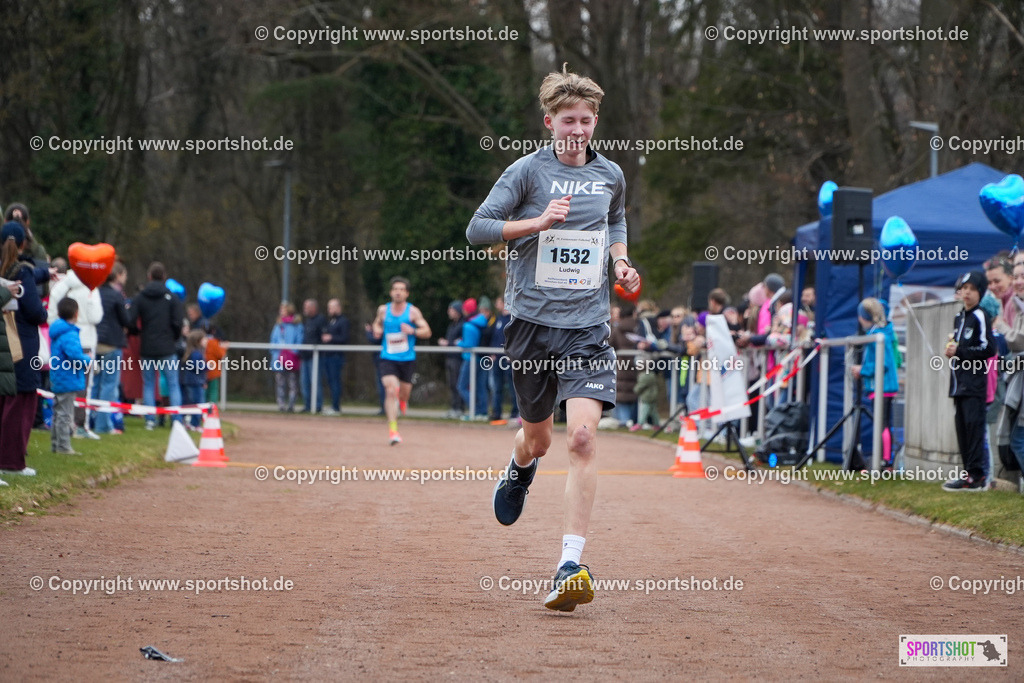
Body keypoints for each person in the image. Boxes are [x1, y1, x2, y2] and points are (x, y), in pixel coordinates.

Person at [467, 64, 639, 611]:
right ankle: (520, 468)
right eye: (569, 119)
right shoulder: (525, 173)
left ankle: (570, 564)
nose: (578, 129)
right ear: (549, 122)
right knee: (539, 440)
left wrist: (621, 262)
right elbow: (478, 230)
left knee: (582, 440)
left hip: (587, 327)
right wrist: (537, 224)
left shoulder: (610, 174)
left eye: (587, 120)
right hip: (532, 325)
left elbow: (616, 221)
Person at [0, 222, 47, 476]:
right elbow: (34, 311)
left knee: (5, 400)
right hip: (24, 343)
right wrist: (44, 312)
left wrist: (47, 273)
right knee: (23, 400)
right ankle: (12, 462)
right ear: (23, 244)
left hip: (4, 341)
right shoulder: (22, 272)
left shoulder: (5, 268)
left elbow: (33, 273)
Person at [943, 271, 995, 491]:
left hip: (974, 384)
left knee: (974, 429)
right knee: (962, 429)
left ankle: (978, 475)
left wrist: (961, 351)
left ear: (980, 293)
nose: (967, 293)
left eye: (972, 289)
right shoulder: (959, 317)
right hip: (958, 383)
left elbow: (989, 348)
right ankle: (968, 473)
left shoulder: (980, 316)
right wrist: (952, 350)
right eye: (964, 288)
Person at [371, 276, 431, 445]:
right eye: (395, 289)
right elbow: (376, 324)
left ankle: (403, 401)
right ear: (391, 292)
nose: (398, 292)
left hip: (407, 359)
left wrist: (412, 330)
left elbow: (427, 331)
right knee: (391, 390)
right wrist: (377, 330)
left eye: (401, 289)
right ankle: (393, 431)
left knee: (403, 394)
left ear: (406, 293)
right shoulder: (383, 310)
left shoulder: (413, 312)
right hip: (387, 357)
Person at [47, 260, 103, 439]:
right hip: (85, 339)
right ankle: (79, 426)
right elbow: (96, 316)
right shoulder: (92, 288)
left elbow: (51, 314)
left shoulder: (62, 286)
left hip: (61, 339)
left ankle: (66, 428)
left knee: (65, 390)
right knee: (84, 386)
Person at [128, 262, 184, 430]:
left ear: (149, 276)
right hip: (167, 347)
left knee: (149, 384)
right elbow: (178, 323)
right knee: (173, 384)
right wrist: (173, 338)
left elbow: (130, 320)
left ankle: (150, 421)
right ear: (164, 277)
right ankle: (176, 420)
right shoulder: (172, 298)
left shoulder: (140, 297)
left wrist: (138, 332)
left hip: (148, 347)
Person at [850, 298, 899, 468]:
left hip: (883, 386)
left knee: (883, 423)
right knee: (883, 422)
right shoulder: (883, 332)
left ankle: (886, 461)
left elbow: (883, 362)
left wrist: (862, 370)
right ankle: (884, 460)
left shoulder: (878, 336)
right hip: (882, 386)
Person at [94, 262, 132, 434]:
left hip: (96, 342)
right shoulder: (117, 295)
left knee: (94, 384)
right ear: (117, 275)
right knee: (109, 385)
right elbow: (126, 320)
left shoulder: (95, 292)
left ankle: (90, 420)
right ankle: (103, 425)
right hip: (111, 344)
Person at [49, 298, 92, 455]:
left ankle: (55, 444)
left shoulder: (58, 331)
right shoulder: (70, 333)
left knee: (58, 413)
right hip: (68, 378)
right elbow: (75, 356)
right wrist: (89, 360)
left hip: (58, 377)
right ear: (76, 313)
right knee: (65, 414)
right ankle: (63, 447)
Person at [457, 296, 490, 421]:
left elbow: (469, 345)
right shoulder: (481, 322)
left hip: (470, 359)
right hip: (480, 359)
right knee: (480, 386)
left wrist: (458, 343)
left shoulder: (468, 325)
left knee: (461, 386)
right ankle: (482, 411)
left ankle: (475, 411)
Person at [488, 296, 519, 425]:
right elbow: (495, 338)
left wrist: (511, 354)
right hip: (498, 359)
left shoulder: (512, 319)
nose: (497, 305)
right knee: (497, 387)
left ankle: (515, 412)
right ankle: (497, 412)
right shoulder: (498, 319)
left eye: (498, 303)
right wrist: (492, 353)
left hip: (508, 359)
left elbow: (514, 338)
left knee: (513, 388)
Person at [270, 302, 303, 412]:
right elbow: (273, 340)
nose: (281, 312)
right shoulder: (278, 325)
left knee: (292, 382)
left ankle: (291, 405)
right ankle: (281, 405)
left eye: (283, 310)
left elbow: (299, 340)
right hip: (279, 358)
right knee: (280, 382)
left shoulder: (297, 325)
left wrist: (293, 352)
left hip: (291, 358)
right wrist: (275, 352)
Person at [320, 298, 350, 415]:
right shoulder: (330, 321)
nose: (329, 310)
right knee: (330, 382)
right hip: (327, 355)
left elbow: (345, 338)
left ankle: (336, 407)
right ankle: (333, 405)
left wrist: (331, 338)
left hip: (336, 356)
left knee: (335, 381)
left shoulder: (343, 321)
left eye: (331, 307)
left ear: (338, 308)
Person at [437, 300, 466, 419]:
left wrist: (447, 343)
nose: (449, 312)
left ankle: (459, 408)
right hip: (450, 357)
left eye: (452, 309)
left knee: (457, 384)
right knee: (452, 384)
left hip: (457, 359)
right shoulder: (452, 324)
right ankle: (454, 408)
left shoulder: (462, 325)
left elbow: (459, 342)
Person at [300, 299, 325, 414]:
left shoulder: (320, 320)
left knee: (315, 382)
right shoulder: (306, 321)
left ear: (313, 308)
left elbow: (324, 338)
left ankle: (318, 406)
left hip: (315, 357)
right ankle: (307, 405)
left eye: (307, 307)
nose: (304, 309)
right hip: (304, 356)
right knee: (304, 382)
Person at [180, 329, 206, 430]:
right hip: (194, 382)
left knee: (190, 402)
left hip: (195, 382)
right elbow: (196, 366)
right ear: (198, 341)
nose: (206, 341)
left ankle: (190, 421)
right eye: (204, 339)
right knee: (197, 403)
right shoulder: (196, 354)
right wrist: (206, 366)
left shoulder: (195, 353)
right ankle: (195, 424)